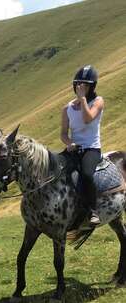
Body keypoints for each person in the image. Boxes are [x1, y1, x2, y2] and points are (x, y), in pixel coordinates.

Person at [60, 65, 105, 226]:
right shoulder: (67, 108)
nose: (81, 88)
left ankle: (93, 211)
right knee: (54, 169)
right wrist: (69, 143)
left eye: (85, 85)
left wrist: (83, 99)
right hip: (74, 148)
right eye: (79, 85)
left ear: (92, 87)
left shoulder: (97, 101)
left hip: (92, 148)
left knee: (86, 174)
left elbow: (87, 119)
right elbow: (63, 133)